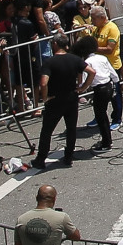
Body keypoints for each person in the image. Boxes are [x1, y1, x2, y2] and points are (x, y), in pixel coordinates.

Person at [34, 36, 91, 168]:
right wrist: (82, 88)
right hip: (71, 98)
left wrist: (45, 97)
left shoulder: (50, 62)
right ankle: (69, 157)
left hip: (55, 100)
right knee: (71, 128)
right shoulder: (75, 59)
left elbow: (43, 83)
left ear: (55, 44)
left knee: (47, 130)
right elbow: (91, 71)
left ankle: (41, 158)